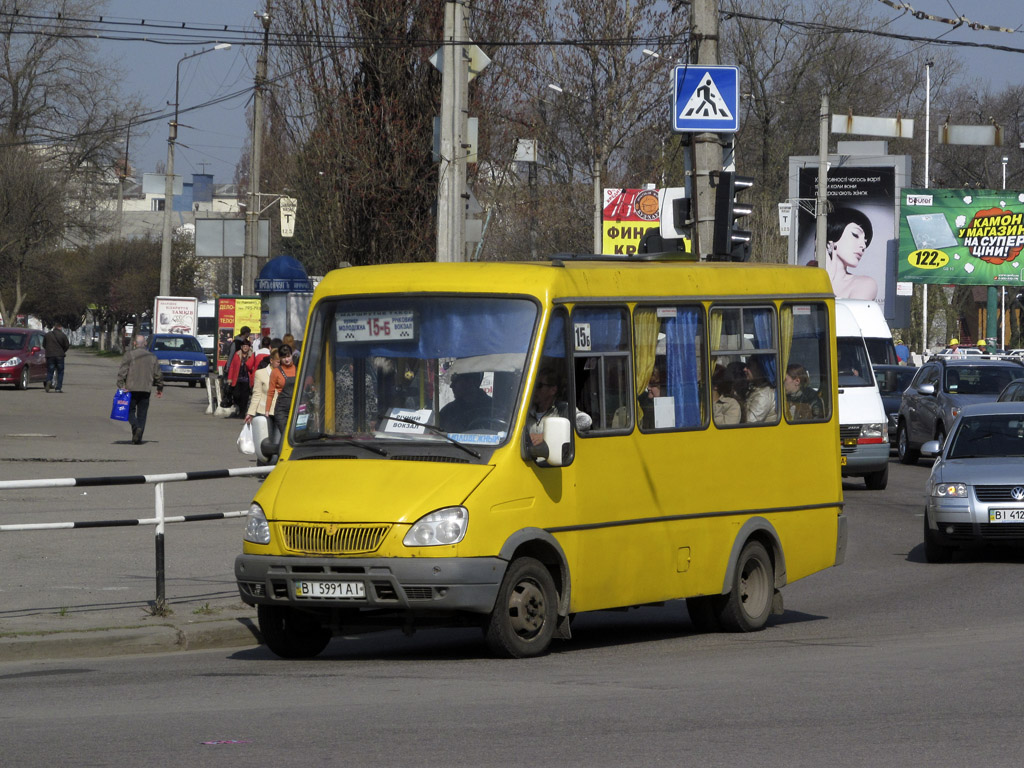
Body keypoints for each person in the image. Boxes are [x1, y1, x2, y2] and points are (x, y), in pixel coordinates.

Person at [116, 333, 164, 444]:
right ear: (145, 343)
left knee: (129, 411)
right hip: (145, 389)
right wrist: (159, 387)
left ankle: (135, 426)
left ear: (134, 343)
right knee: (142, 414)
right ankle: (138, 436)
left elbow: (122, 372)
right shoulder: (152, 357)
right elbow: (158, 374)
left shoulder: (129, 355)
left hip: (130, 388)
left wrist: (121, 385)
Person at [525, 366, 591, 445]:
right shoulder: (525, 412)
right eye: (533, 385)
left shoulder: (562, 409)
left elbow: (585, 421)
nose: (534, 390)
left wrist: (546, 436)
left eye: (539, 385)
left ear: (553, 390)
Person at [825, 207, 877, 300]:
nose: (863, 246)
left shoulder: (864, 284)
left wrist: (826, 282)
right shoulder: (808, 276)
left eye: (865, 242)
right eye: (855, 235)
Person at [246, 348, 280, 463]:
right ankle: (262, 467)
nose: (280, 364)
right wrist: (250, 413)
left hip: (281, 413)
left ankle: (272, 469)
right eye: (278, 362)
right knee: (265, 442)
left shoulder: (285, 373)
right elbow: (256, 394)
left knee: (277, 442)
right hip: (264, 412)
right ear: (271, 360)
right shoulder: (260, 373)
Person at [266, 343, 297, 439]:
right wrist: (267, 410)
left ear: (292, 355)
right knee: (286, 436)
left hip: (296, 409)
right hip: (282, 410)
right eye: (283, 357)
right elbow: (270, 392)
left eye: (288, 356)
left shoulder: (298, 369)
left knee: (296, 436)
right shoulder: (276, 372)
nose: (286, 359)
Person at [227, 338, 257, 417]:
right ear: (241, 347)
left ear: (249, 347)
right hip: (237, 378)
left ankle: (242, 413)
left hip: (247, 379)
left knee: (245, 397)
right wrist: (229, 378)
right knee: (236, 395)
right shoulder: (237, 354)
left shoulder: (252, 355)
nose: (245, 347)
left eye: (247, 346)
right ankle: (239, 408)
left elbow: (254, 367)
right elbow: (232, 367)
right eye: (244, 346)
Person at [742, 357, 777, 423]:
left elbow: (749, 422)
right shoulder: (755, 388)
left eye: (749, 366)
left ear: (760, 369)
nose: (744, 369)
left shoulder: (763, 395)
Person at [42, 321, 70, 392]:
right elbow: (66, 345)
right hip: (60, 356)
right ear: (60, 327)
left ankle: (48, 380)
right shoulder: (63, 335)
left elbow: (44, 344)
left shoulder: (47, 335)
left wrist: (48, 350)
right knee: (60, 372)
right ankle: (58, 388)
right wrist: (63, 351)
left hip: (50, 355)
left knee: (50, 370)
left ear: (54, 327)